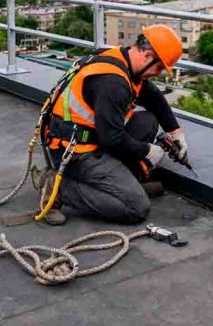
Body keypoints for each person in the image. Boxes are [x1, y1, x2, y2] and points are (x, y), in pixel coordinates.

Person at [40, 24, 190, 224]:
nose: (158, 73)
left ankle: (121, 186)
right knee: (136, 208)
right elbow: (111, 138)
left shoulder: (121, 60)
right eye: (159, 67)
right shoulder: (113, 83)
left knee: (148, 121)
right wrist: (147, 151)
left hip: (87, 137)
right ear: (147, 55)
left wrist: (176, 132)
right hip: (75, 153)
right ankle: (60, 188)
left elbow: (152, 97)